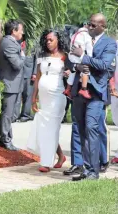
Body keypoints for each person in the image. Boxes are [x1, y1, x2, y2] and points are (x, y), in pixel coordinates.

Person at [69, 13, 117, 181]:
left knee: (91, 128)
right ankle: (86, 168)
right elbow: (72, 60)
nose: (89, 27)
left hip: (96, 92)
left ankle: (94, 171)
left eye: (93, 25)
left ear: (102, 27)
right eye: (88, 24)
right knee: (80, 130)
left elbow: (105, 65)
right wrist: (78, 66)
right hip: (79, 91)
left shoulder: (109, 43)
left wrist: (84, 57)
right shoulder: (82, 39)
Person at [27, 29, 68, 172]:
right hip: (43, 98)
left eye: (51, 39)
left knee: (52, 128)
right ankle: (61, 156)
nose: (48, 42)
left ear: (58, 40)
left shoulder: (65, 56)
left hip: (57, 96)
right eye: (46, 40)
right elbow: (38, 77)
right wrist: (33, 98)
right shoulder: (42, 56)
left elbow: (72, 75)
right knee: (46, 128)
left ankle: (46, 163)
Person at [0, 19, 25, 151]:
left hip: (12, 83)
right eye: (21, 30)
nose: (22, 33)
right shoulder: (9, 43)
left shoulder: (11, 42)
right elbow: (17, 64)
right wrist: (23, 56)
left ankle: (6, 137)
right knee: (7, 113)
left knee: (10, 113)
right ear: (14, 31)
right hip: (9, 83)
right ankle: (5, 139)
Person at [64, 23, 93, 99]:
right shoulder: (86, 36)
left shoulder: (75, 34)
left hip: (72, 56)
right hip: (78, 56)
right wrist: (90, 57)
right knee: (86, 69)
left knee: (73, 72)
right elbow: (89, 49)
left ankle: (68, 88)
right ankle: (84, 88)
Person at [13, 39, 35, 122]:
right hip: (17, 73)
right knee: (17, 95)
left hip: (29, 73)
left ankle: (25, 115)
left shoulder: (33, 43)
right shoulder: (16, 42)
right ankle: (15, 115)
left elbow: (36, 59)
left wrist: (35, 73)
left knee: (28, 95)